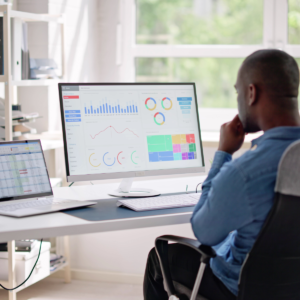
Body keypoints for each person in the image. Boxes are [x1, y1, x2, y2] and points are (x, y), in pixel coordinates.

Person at [143, 49, 300, 300]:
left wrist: (223, 153)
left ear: (252, 93)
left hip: (240, 288)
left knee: (159, 259)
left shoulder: (245, 171)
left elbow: (204, 232)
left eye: (238, 92)